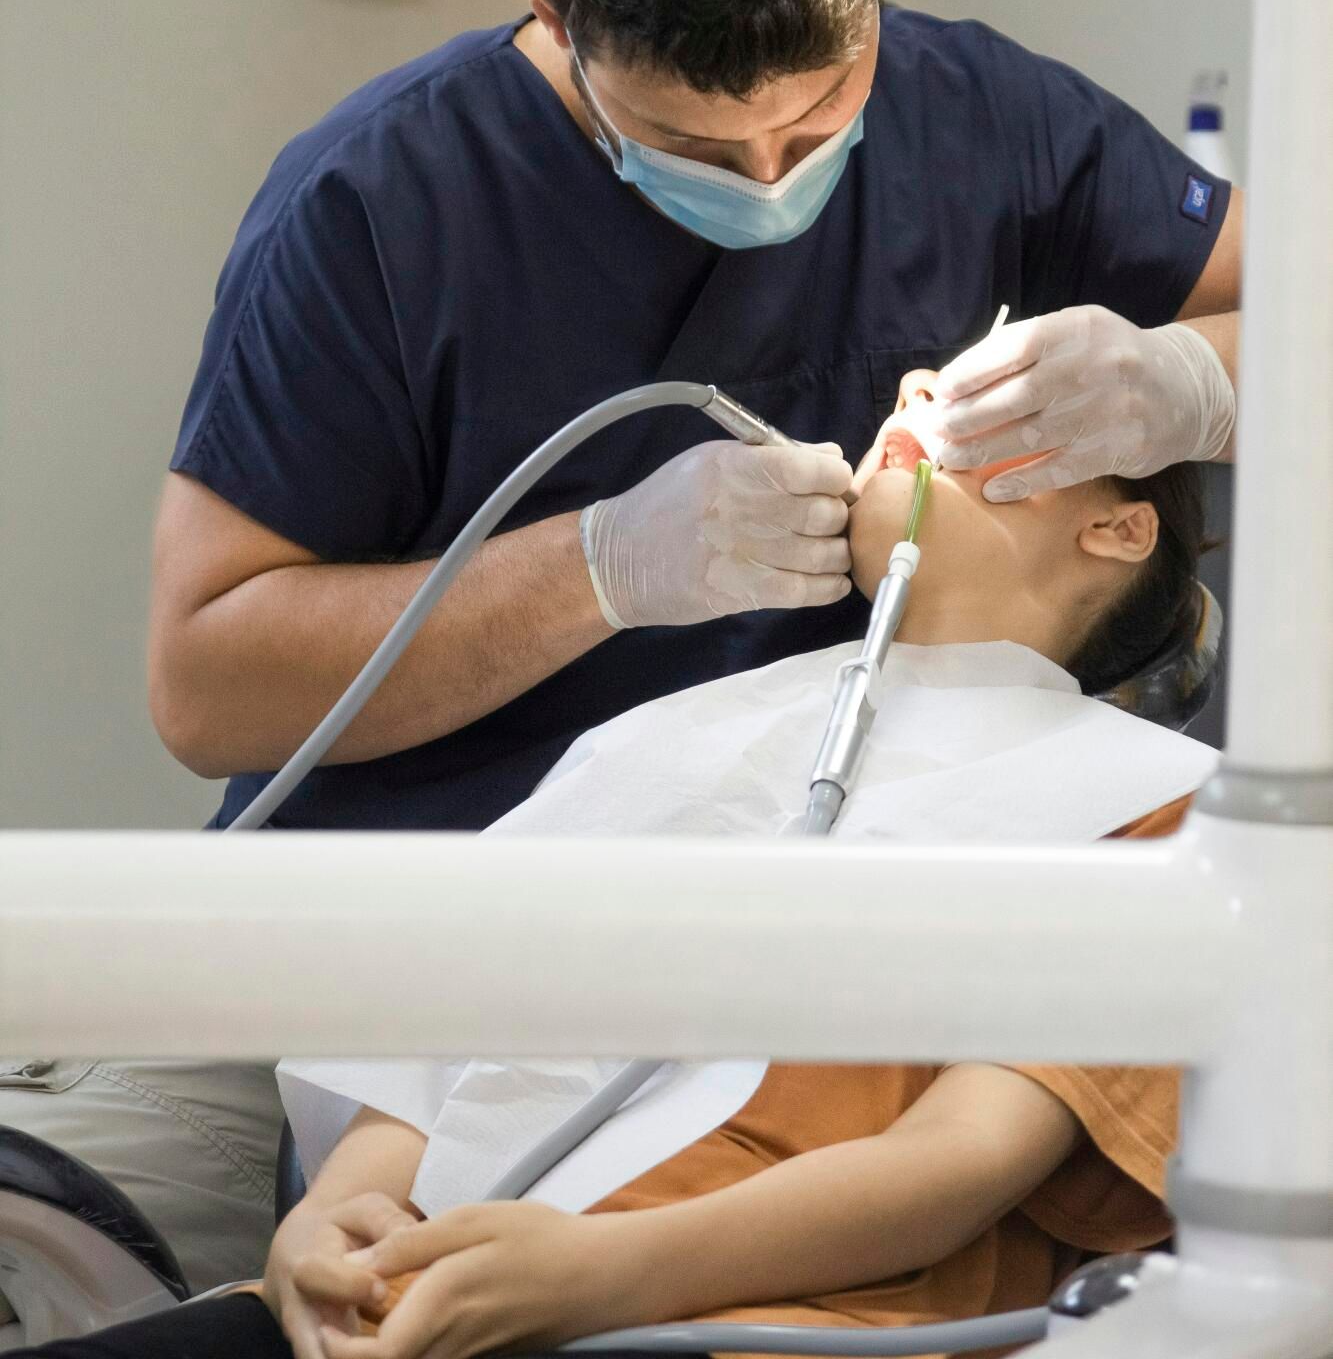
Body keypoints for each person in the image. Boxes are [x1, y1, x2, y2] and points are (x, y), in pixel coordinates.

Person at [0, 0, 1240, 1289]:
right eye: (693, 142)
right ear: (552, 16)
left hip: (665, 1065)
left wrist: (1192, 381)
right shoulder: (376, 205)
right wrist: (597, 569)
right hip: (361, 946)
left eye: (819, 116)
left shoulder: (980, 119)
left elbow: (945, 1160)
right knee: (83, 1245)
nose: (773, 174)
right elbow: (205, 689)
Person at [17, 381, 1218, 1359]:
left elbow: (960, 1161)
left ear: (1116, 524)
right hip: (406, 1293)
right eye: (927, 379)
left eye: (996, 397)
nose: (919, 391)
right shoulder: (683, 729)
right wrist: (334, 1223)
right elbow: (444, 1034)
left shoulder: (1157, 807)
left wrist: (598, 1273)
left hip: (739, 1318)